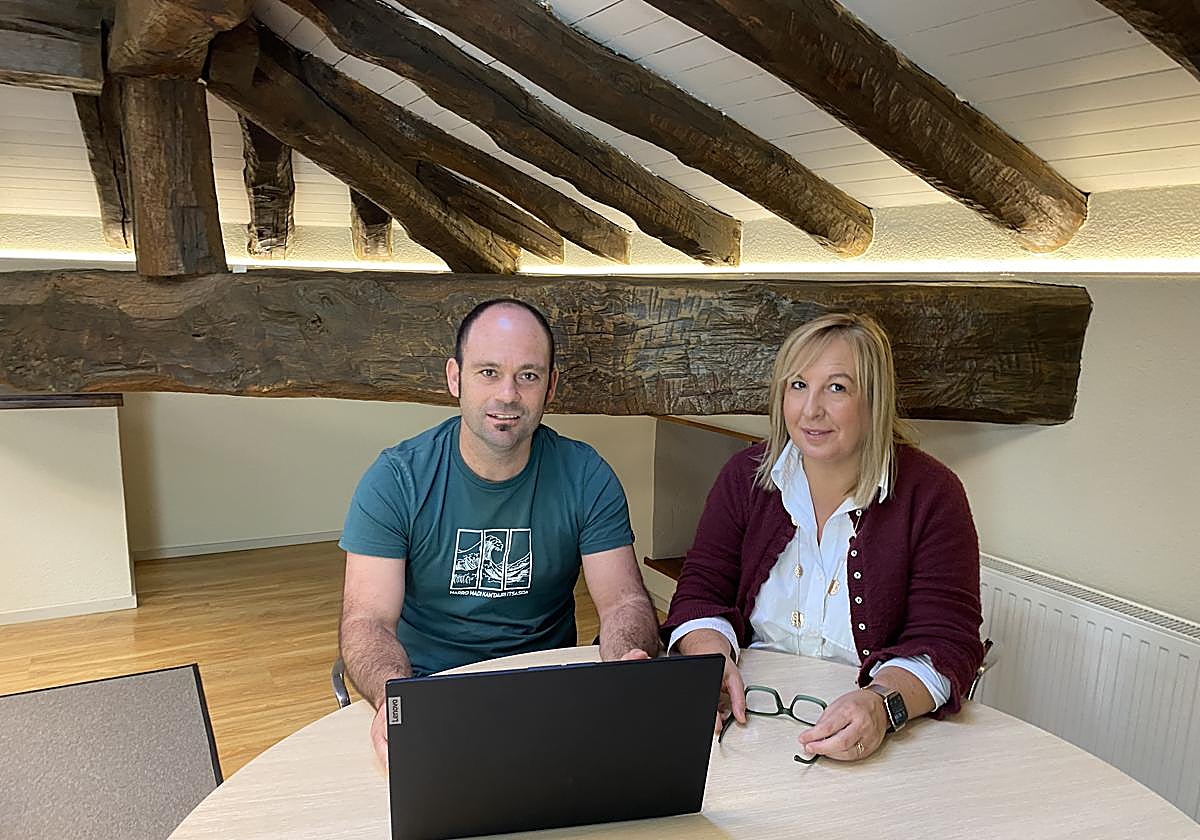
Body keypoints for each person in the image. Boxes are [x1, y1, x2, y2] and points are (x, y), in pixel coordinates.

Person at [339, 299, 660, 766]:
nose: (507, 394)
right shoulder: (396, 479)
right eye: (488, 372)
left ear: (550, 387)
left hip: (551, 695)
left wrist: (625, 663)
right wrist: (396, 698)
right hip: (429, 695)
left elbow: (624, 602)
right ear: (456, 378)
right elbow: (366, 620)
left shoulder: (585, 474)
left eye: (527, 375)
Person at [662, 312, 983, 762]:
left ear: (873, 400)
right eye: (797, 385)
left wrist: (882, 704)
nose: (810, 410)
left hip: (879, 741)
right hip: (746, 719)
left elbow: (948, 640)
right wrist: (708, 665)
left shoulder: (933, 494)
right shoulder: (745, 478)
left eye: (837, 388)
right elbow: (701, 590)